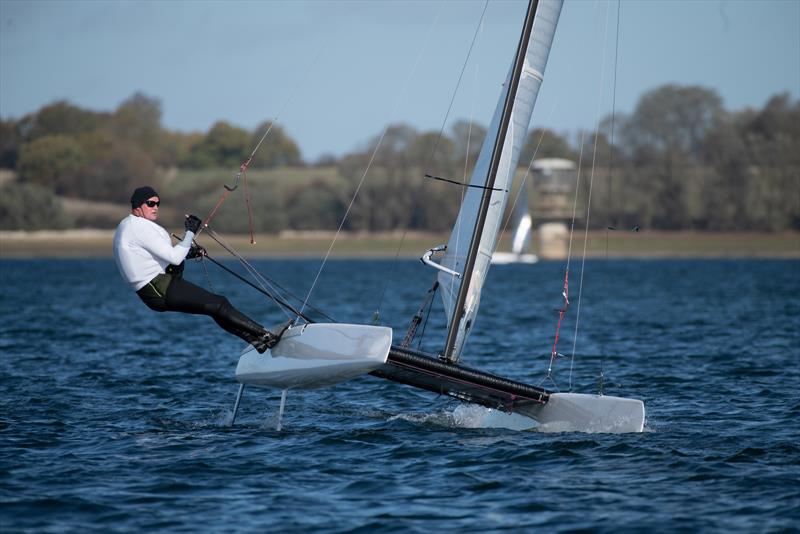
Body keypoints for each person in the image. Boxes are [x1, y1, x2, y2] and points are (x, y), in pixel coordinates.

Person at [113, 185, 281, 353]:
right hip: (159, 288)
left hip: (159, 286)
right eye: (150, 203)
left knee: (214, 308)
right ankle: (265, 335)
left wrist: (189, 252)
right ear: (138, 205)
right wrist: (190, 232)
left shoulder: (129, 225)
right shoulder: (139, 227)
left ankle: (256, 341)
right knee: (219, 303)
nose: (155, 207)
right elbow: (174, 257)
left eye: (158, 203)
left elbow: (161, 255)